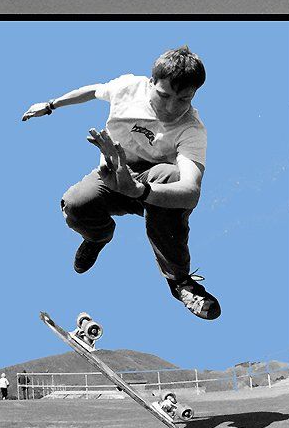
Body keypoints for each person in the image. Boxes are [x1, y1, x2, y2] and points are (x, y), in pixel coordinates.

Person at [22, 46, 219, 320]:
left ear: (194, 95)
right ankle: (97, 236)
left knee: (171, 175)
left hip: (153, 189)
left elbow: (190, 191)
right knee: (75, 205)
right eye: (164, 96)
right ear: (150, 83)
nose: (171, 108)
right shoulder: (128, 88)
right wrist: (52, 104)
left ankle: (180, 281)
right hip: (115, 175)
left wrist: (141, 190)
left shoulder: (191, 129)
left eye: (183, 99)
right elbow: (93, 90)